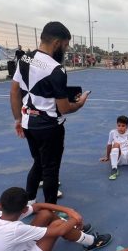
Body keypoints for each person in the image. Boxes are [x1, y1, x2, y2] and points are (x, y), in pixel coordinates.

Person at [11, 22, 90, 205]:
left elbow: (14, 91)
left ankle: (29, 200)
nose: (66, 49)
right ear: (56, 43)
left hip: (28, 122)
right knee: (50, 170)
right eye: (65, 45)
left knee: (38, 162)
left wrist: (18, 119)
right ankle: (50, 210)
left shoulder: (24, 59)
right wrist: (79, 104)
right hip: (49, 127)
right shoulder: (56, 69)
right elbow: (64, 108)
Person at [99, 115, 128, 180]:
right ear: (116, 125)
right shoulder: (112, 132)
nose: (120, 128)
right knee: (116, 144)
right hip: (118, 159)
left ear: (127, 126)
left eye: (123, 126)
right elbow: (109, 145)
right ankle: (114, 168)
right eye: (119, 125)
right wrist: (107, 157)